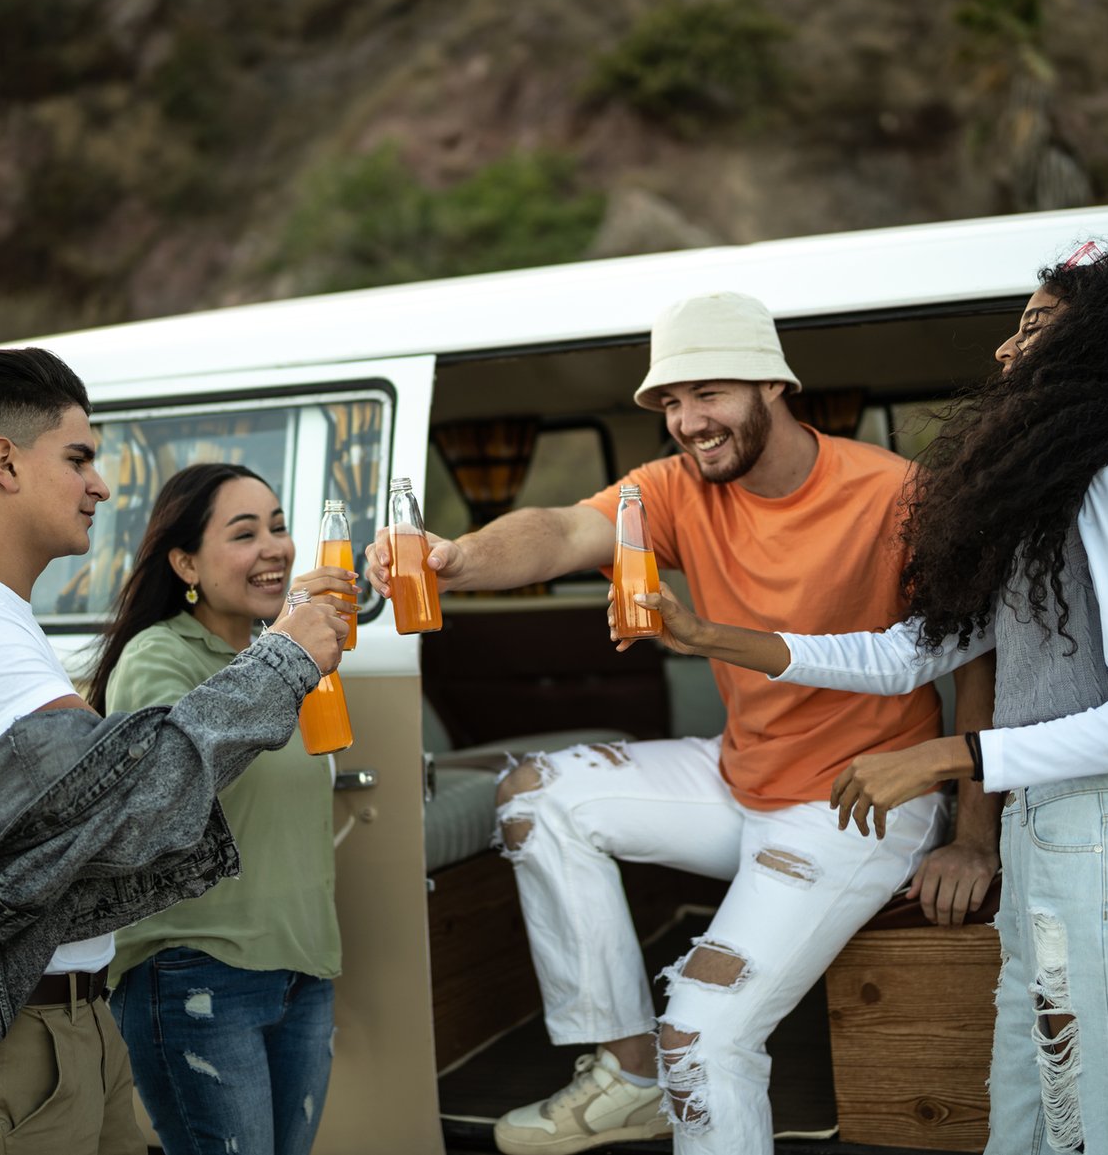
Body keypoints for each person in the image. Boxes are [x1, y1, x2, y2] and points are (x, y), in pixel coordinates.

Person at [365, 291, 1001, 1155]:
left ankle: (667, 1062)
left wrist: (974, 835)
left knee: (701, 1034)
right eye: (669, 401)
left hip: (862, 800)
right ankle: (629, 1074)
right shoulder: (671, 489)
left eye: (708, 393)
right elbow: (557, 533)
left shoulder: (894, 493)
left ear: (774, 386)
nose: (687, 421)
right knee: (531, 794)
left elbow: (975, 662)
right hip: (743, 775)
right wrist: (455, 557)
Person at [639, 245, 1108, 1155]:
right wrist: (713, 636)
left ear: (1092, 342)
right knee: (1026, 1134)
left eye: (1032, 327)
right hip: (1053, 847)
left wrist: (949, 756)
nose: (1003, 351)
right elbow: (908, 653)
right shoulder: (1056, 496)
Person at [0, 348, 344, 1155]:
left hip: (66, 1020)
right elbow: (125, 801)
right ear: (4, 462)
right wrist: (281, 661)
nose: (103, 485)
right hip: (11, 1034)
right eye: (79, 457)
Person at [86, 464, 355, 1155]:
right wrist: (284, 651)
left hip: (301, 969)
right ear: (185, 562)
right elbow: (167, 790)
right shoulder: (159, 655)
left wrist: (287, 650)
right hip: (196, 974)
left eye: (278, 525)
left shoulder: (279, 657)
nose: (274, 546)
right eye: (244, 533)